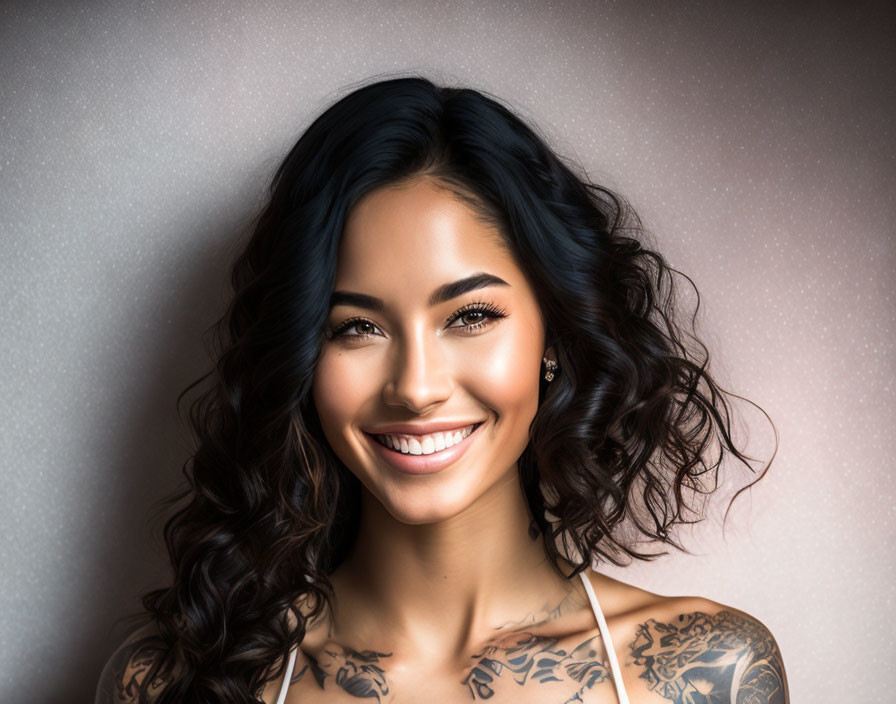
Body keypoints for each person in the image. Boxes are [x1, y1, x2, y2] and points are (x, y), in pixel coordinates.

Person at [95, 75, 789, 703]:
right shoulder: (170, 683)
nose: (416, 388)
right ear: (300, 354)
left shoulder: (711, 674)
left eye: (471, 317)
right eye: (356, 327)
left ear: (555, 334)